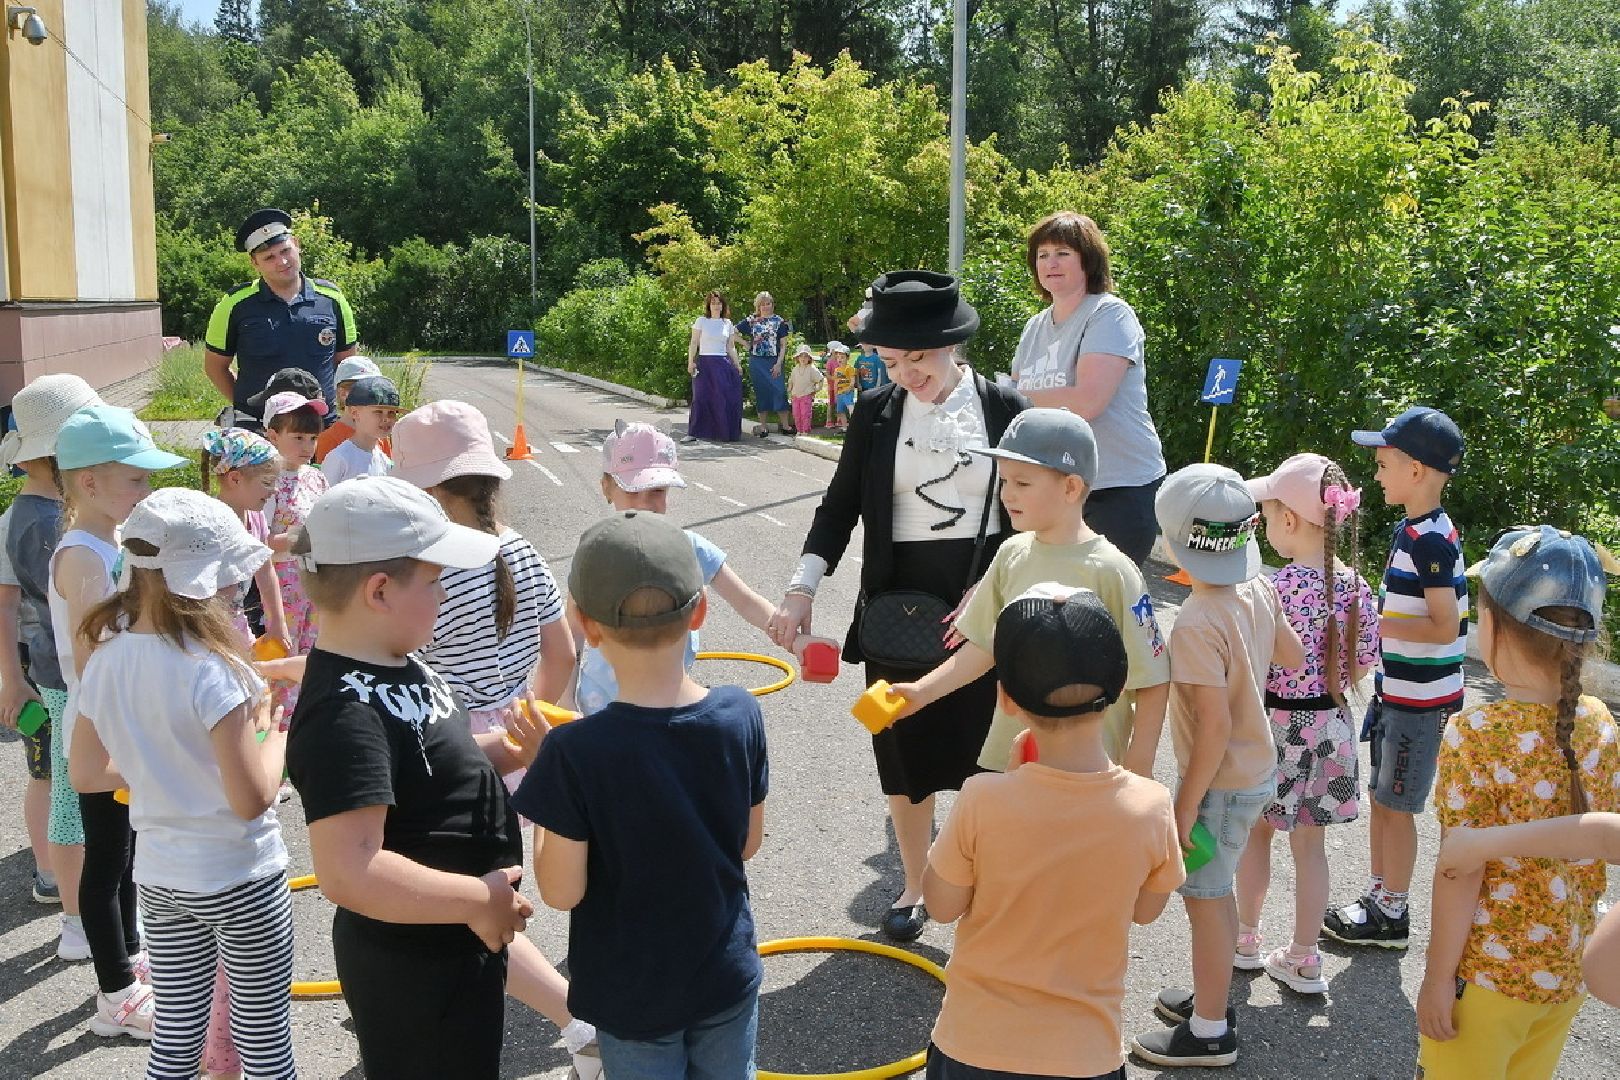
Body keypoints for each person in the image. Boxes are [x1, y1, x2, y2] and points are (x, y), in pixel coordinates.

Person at [768, 270, 1028, 942]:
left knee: (987, 760)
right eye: (890, 361)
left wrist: (1000, 579)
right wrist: (802, 589)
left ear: (951, 347)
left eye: (918, 358)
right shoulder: (876, 413)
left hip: (985, 597)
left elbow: (1033, 508)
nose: (906, 373)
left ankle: (986, 890)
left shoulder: (1004, 407)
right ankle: (916, 883)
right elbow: (839, 508)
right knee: (902, 751)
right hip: (895, 606)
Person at [285, 477, 537, 1079]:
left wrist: (512, 749)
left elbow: (429, 764)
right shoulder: (343, 713)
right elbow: (351, 871)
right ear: (379, 591)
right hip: (413, 965)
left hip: (453, 940)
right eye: (434, 579)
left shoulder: (397, 661)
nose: (446, 592)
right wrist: (480, 898)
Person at [378, 399, 601, 1072]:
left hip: (445, 753)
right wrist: (522, 720)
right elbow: (561, 653)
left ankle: (583, 1026)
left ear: (424, 489)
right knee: (466, 895)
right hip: (514, 747)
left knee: (464, 904)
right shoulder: (521, 550)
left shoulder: (426, 566)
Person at [515, 510, 768, 1079]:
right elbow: (747, 843)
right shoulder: (740, 712)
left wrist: (544, 773)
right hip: (725, 973)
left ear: (588, 625)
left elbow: (560, 889)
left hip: (631, 995)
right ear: (700, 610)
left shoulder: (574, 753)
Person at [67, 488, 296, 1078]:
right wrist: (277, 731)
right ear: (205, 581)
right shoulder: (216, 671)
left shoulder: (108, 654)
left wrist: (160, 773)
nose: (236, 591)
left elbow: (87, 772)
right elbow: (251, 798)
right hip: (240, 875)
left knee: (175, 1038)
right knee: (265, 1038)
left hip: (161, 880)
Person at [923, 584, 1183, 1080]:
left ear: (1007, 699)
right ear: (1119, 687)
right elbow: (1145, 912)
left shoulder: (982, 799)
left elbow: (941, 905)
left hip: (975, 1047)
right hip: (1086, 1055)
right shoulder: (1151, 807)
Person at [1416, 526, 1620, 1078]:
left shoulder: (1476, 732)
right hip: (1564, 975)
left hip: (1488, 979)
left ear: (1495, 627)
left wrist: (1437, 980)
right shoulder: (1599, 720)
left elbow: (1460, 870)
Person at [1131, 464, 1304, 1069]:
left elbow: (1215, 728)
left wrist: (1182, 810)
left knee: (1204, 897)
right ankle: (1211, 999)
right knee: (1218, 891)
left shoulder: (1197, 623)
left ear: (1176, 543)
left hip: (1219, 786)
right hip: (1255, 773)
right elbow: (1293, 652)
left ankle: (1209, 1031)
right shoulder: (1260, 589)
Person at [890, 408, 1170, 776]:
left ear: (1071, 487)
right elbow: (986, 644)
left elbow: (1152, 677)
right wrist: (922, 691)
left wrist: (1140, 765)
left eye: (1022, 484)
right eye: (1004, 481)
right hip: (1014, 762)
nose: (1007, 494)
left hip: (1091, 770)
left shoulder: (1113, 570)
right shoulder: (1011, 554)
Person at [52, 406, 189, 1037]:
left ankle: (132, 956)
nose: (147, 492)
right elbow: (93, 652)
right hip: (100, 721)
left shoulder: (111, 542)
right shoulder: (81, 554)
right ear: (88, 484)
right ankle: (114, 993)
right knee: (107, 862)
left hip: (122, 713)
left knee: (129, 852)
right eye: (136, 481)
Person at [1234, 453, 1380, 995]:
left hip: (1275, 723)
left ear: (1288, 521)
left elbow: (1255, 659)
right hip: (1331, 725)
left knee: (1256, 835)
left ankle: (1245, 940)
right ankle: (1304, 956)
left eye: (1268, 513)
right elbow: (1363, 662)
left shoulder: (1275, 587)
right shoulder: (1358, 587)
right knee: (1309, 845)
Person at [1325, 406, 1467, 949]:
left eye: (1384, 464)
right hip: (1398, 692)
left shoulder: (1431, 540)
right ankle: (1378, 896)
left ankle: (1393, 912)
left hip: (1419, 703)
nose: (1377, 475)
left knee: (1399, 806)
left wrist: (1368, 618)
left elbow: (1443, 625)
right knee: (1383, 799)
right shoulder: (1413, 530)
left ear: (1417, 470)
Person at [573, 421, 777, 714]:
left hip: (667, 702)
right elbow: (572, 634)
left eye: (656, 490)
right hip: (601, 707)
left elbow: (746, 601)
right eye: (632, 491)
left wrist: (793, 638)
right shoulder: (595, 552)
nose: (646, 504)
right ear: (606, 487)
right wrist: (564, 700)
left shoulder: (689, 547)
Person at [3, 373, 105, 957]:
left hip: (51, 670)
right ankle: (70, 905)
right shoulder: (46, 523)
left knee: (58, 783)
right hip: (61, 676)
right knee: (66, 791)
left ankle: (65, 887)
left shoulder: (38, 511)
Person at [1009, 212, 1165, 566]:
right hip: (1054, 488)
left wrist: (1012, 398)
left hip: (1117, 489)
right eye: (1042, 254)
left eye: (1063, 253)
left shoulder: (1110, 314)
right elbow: (1016, 408)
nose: (1050, 263)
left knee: (1098, 608)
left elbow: (1086, 402)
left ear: (1088, 259)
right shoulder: (1034, 327)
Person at [1436, 813, 1620, 1009]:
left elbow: (1606, 837)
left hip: (1493, 981)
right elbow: (1607, 837)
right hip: (1565, 981)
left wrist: (1436, 981)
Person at [204, 208, 358, 419]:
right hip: (258, 429)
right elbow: (215, 367)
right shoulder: (233, 304)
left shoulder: (333, 299)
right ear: (254, 263)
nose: (282, 262)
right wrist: (245, 406)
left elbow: (347, 364)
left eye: (285, 251)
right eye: (269, 257)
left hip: (320, 426)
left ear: (296, 244)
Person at [260, 391, 330, 712]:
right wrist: (297, 537)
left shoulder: (315, 477)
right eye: (298, 437)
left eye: (312, 438)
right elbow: (260, 541)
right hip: (284, 581)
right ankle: (280, 722)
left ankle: (308, 714)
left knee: (314, 651)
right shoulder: (268, 482)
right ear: (272, 436)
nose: (307, 446)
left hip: (314, 577)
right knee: (283, 651)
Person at [202, 428, 292, 655]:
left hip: (238, 622)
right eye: (267, 482)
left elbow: (265, 571)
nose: (275, 490)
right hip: (208, 630)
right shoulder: (209, 524)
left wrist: (277, 624)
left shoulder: (256, 517)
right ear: (235, 479)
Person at [684, 290, 743, 443]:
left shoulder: (727, 323)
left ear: (723, 305)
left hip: (722, 364)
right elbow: (694, 343)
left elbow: (731, 347)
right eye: (713, 303)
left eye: (719, 303)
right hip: (704, 364)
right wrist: (691, 361)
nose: (716, 306)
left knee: (722, 398)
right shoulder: (701, 321)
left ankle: (723, 432)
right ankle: (695, 432)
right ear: (708, 305)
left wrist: (737, 364)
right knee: (700, 397)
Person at [320, 376, 399, 486]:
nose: (386, 418)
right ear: (355, 413)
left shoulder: (384, 460)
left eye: (392, 413)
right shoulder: (340, 458)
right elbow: (323, 498)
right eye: (378, 411)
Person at [734, 292, 793, 435]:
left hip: (774, 361)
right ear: (758, 306)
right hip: (757, 362)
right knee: (761, 393)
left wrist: (779, 363)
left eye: (768, 303)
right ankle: (763, 427)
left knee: (779, 391)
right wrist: (745, 343)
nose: (766, 306)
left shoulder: (780, 322)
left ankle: (786, 426)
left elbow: (783, 345)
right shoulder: (751, 320)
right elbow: (732, 332)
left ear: (772, 305)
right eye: (763, 304)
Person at [313, 356, 390, 465]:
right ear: (343, 393)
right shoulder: (329, 438)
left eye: (376, 387)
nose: (373, 394)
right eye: (363, 389)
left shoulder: (379, 433)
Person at [787, 344, 826, 435]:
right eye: (801, 356)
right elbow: (791, 380)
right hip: (795, 395)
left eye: (805, 356)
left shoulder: (811, 369)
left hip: (806, 395)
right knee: (796, 414)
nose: (803, 358)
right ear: (797, 358)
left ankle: (805, 431)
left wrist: (817, 389)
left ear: (809, 358)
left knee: (805, 414)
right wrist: (789, 389)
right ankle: (799, 430)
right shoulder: (795, 369)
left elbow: (820, 379)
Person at [825, 341, 857, 431]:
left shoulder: (849, 368)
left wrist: (849, 388)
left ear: (847, 358)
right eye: (838, 357)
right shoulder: (837, 370)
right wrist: (836, 393)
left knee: (851, 408)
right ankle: (844, 427)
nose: (839, 359)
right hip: (839, 393)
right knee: (840, 411)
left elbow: (852, 380)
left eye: (842, 357)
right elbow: (836, 381)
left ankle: (855, 425)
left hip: (847, 392)